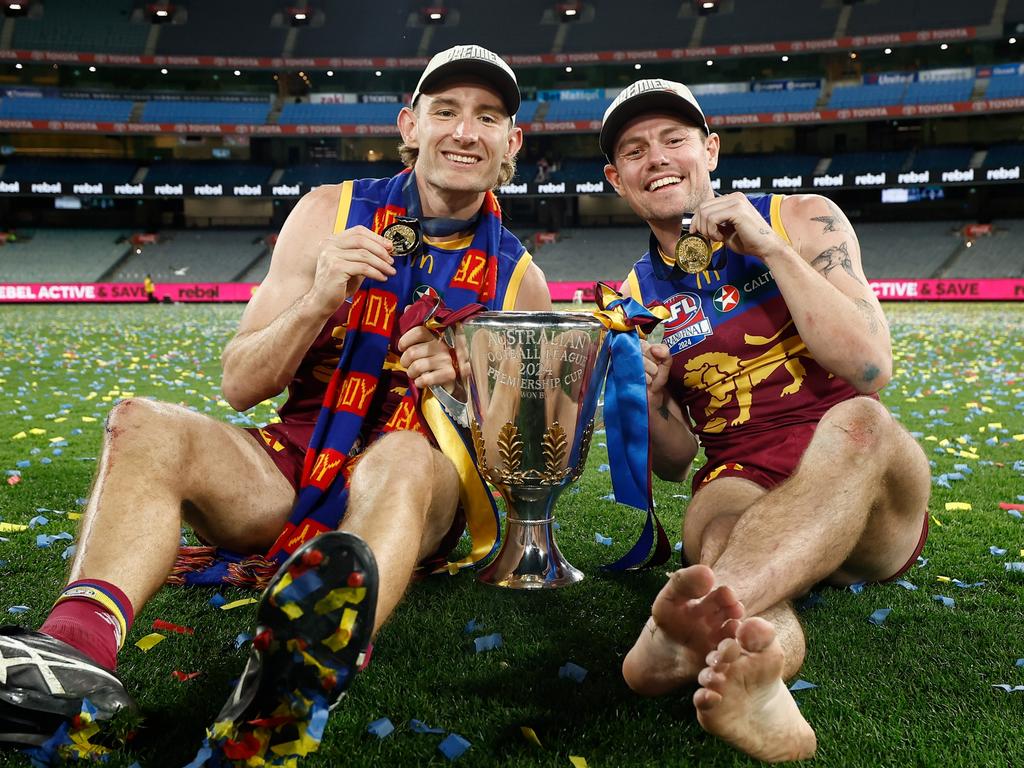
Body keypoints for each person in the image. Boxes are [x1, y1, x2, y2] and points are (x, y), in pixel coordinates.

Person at [0, 44, 550, 758]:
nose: (464, 132)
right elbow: (240, 382)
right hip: (295, 463)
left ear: (512, 141)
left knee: (407, 457)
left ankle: (301, 675)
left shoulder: (521, 281)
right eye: (445, 112)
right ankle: (69, 650)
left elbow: (527, 466)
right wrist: (316, 302)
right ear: (410, 125)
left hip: (418, 490)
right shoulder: (329, 212)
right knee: (141, 422)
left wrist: (467, 383)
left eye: (487, 117)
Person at [599, 79, 931, 763]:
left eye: (672, 140)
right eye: (634, 151)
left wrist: (772, 253)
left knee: (861, 421)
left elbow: (870, 368)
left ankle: (682, 631)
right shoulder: (629, 298)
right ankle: (761, 680)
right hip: (739, 472)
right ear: (616, 178)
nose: (655, 158)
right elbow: (672, 462)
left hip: (857, 473)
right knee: (720, 532)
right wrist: (656, 397)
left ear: (709, 149)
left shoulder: (802, 219)